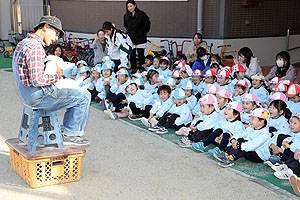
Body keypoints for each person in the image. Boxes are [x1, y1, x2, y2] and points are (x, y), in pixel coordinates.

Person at [13, 16, 90, 146]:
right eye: (55, 33)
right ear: (46, 27)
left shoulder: (23, 43)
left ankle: (66, 129)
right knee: (84, 96)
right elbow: (37, 79)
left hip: (26, 94)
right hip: (37, 96)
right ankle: (70, 133)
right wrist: (57, 75)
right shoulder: (36, 47)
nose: (55, 39)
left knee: (71, 92)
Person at [124, 0, 151, 74]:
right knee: (132, 55)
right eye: (128, 7)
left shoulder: (142, 14)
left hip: (140, 38)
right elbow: (126, 26)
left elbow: (147, 24)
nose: (129, 8)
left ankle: (142, 69)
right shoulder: (126, 16)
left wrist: (142, 32)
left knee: (141, 55)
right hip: (131, 39)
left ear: (135, 5)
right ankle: (133, 69)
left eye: (131, 6)